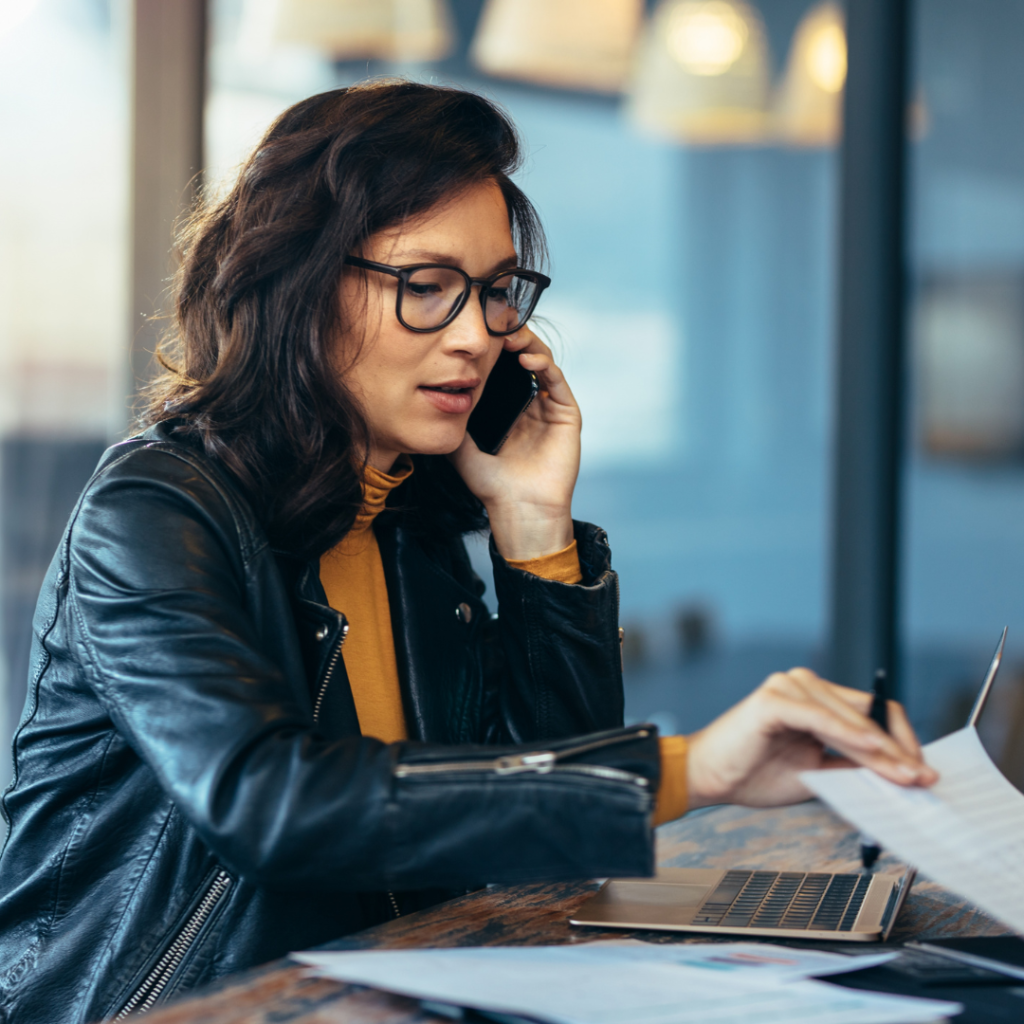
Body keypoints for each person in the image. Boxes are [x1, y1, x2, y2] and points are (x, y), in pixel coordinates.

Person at [0, 81, 935, 1024]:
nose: (475, 336)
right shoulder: (157, 507)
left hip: (373, 994)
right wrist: (685, 769)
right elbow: (270, 803)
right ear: (299, 282)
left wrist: (534, 528)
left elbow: (544, 847)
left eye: (493, 293)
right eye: (427, 286)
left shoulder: (411, 525)